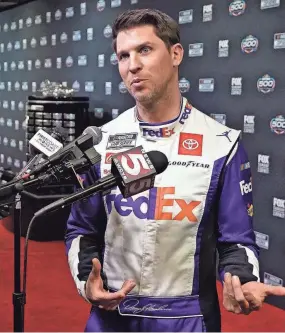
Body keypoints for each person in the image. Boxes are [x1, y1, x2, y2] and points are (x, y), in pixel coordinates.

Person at [65, 8, 285, 332]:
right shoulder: (102, 143)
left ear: (176, 53)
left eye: (144, 50)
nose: (133, 65)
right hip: (113, 317)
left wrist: (241, 280)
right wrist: (87, 282)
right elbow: (82, 229)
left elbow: (235, 240)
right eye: (123, 56)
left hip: (188, 320)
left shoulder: (221, 144)